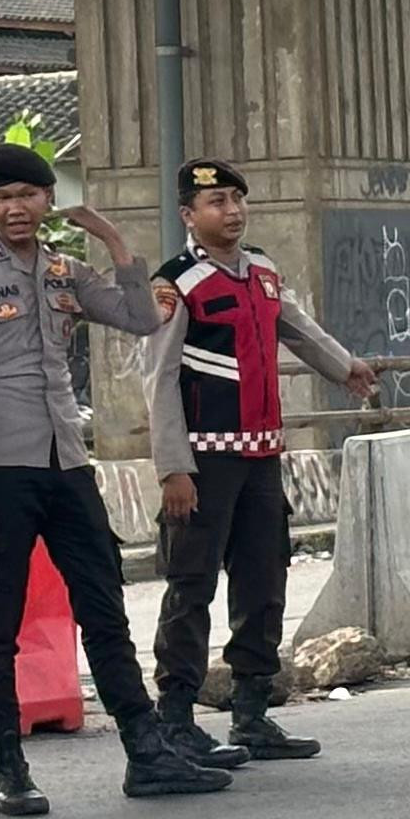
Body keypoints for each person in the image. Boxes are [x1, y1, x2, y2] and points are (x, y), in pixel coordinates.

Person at [0, 143, 228, 814]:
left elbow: (143, 318)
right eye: (2, 198)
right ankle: (7, 765)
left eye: (28, 196)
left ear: (45, 202)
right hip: (0, 472)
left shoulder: (65, 270)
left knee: (103, 608)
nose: (16, 209)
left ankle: (145, 753)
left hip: (68, 466)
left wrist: (117, 242)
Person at [144, 161, 381, 768]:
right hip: (203, 461)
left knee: (263, 581)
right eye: (216, 201)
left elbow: (298, 331)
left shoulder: (264, 273)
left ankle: (252, 713)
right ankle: (175, 719)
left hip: (261, 457)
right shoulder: (177, 283)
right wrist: (173, 467)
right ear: (188, 215)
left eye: (237, 199)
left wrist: (345, 366)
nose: (232, 211)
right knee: (191, 585)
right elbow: (159, 377)